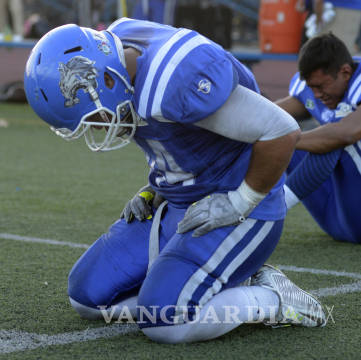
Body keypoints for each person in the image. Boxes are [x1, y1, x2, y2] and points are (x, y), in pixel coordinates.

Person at [24, 18, 326, 344]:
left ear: (108, 82)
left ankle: (273, 299)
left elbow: (282, 131)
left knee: (164, 322)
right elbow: (176, 142)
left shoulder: (176, 79)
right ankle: (191, 288)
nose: (97, 128)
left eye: (93, 117)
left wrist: (240, 201)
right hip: (181, 202)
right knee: (87, 297)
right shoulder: (117, 57)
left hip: (238, 206)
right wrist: (154, 188)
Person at [277, 32, 361, 243]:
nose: (316, 95)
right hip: (336, 216)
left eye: (320, 87)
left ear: (345, 72)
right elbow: (270, 117)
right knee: (271, 133)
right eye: (311, 87)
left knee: (335, 137)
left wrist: (288, 139)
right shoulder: (312, 89)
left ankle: (270, 211)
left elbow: (346, 132)